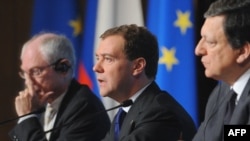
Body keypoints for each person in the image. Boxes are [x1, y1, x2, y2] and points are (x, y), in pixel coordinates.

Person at [93, 24, 196, 141]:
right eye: (98, 58)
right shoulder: (126, 112)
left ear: (137, 66)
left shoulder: (160, 113)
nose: (96, 68)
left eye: (108, 59)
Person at [8, 33, 111, 141]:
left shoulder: (85, 107)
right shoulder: (43, 105)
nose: (28, 83)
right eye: (24, 73)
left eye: (36, 72)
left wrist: (26, 117)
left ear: (63, 68)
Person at [193, 0, 250, 141]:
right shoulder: (219, 93)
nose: (198, 50)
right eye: (202, 38)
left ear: (242, 51)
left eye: (211, 42)